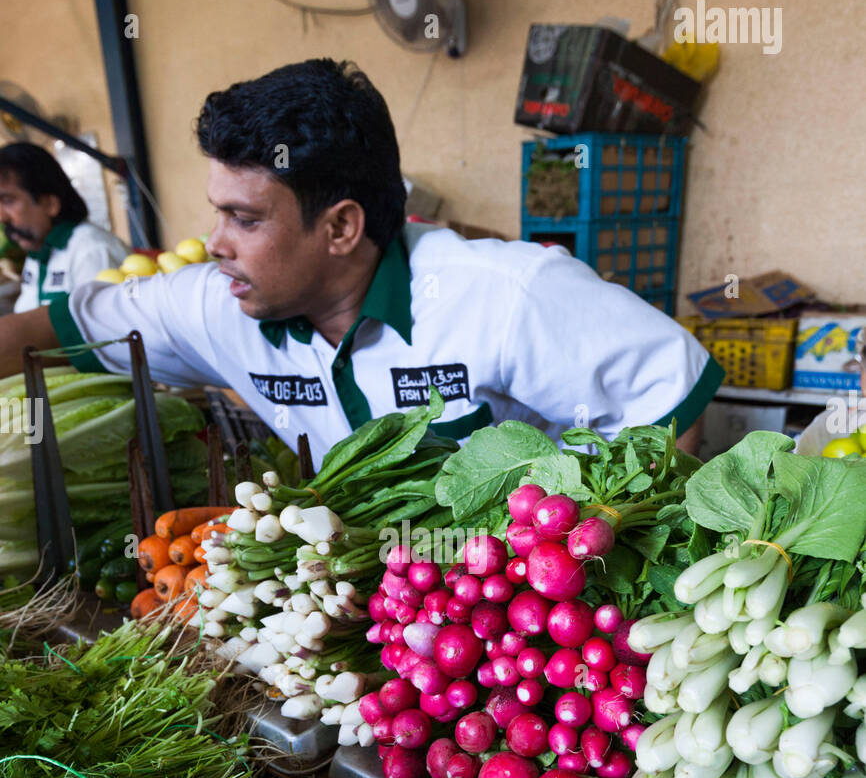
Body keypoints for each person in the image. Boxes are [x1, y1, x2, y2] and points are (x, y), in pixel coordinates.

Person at [0, 60, 722, 464]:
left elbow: (673, 401)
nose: (216, 241)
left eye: (245, 219)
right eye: (218, 212)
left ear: (341, 227)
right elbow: (42, 332)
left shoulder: (508, 296)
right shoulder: (214, 306)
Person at [0, 143, 127, 311]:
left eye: (8, 201)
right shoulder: (38, 250)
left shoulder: (92, 251)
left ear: (50, 204)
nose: (2, 217)